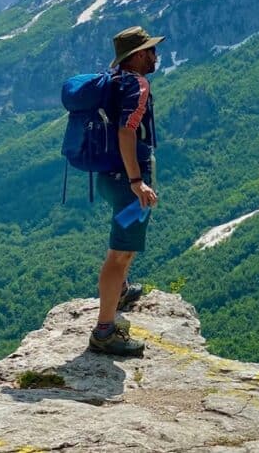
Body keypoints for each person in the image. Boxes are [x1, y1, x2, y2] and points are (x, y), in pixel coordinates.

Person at [88, 26, 164, 356]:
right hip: (126, 182)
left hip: (109, 177)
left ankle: (119, 291)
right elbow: (126, 131)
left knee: (122, 250)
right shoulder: (138, 85)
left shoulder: (115, 79)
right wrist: (137, 181)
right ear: (136, 57)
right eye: (150, 51)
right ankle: (105, 331)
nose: (155, 56)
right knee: (120, 254)